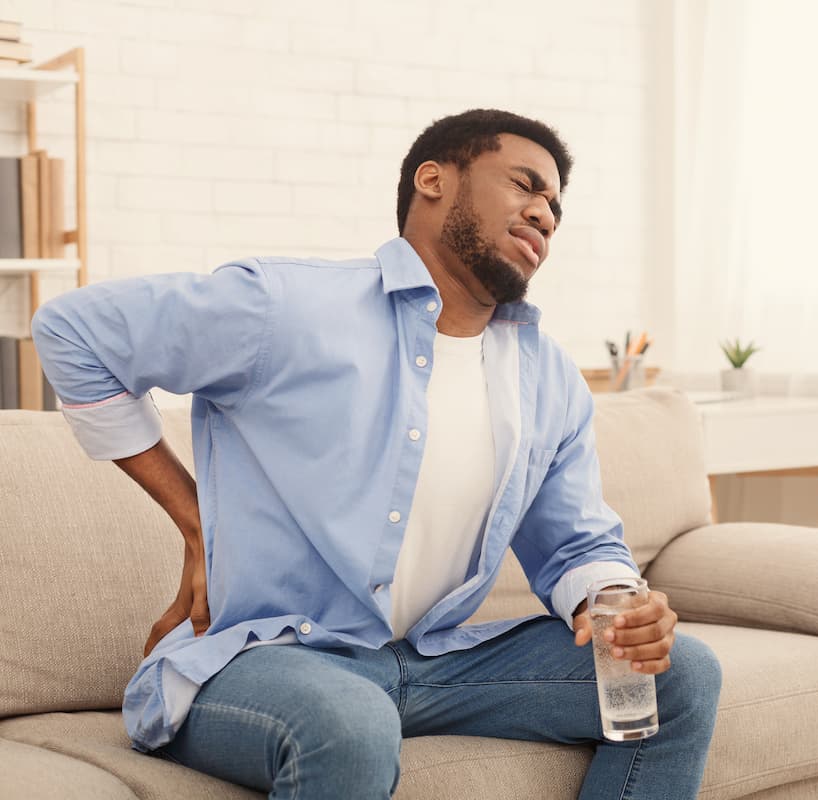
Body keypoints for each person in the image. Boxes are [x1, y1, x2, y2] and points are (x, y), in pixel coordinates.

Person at [31, 108, 721, 799]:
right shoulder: (289, 307)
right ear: (434, 180)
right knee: (350, 721)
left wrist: (618, 603)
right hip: (265, 658)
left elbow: (575, 544)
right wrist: (194, 522)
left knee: (680, 678)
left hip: (429, 662)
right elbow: (73, 332)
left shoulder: (549, 379)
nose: (544, 213)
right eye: (523, 184)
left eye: (554, 207)